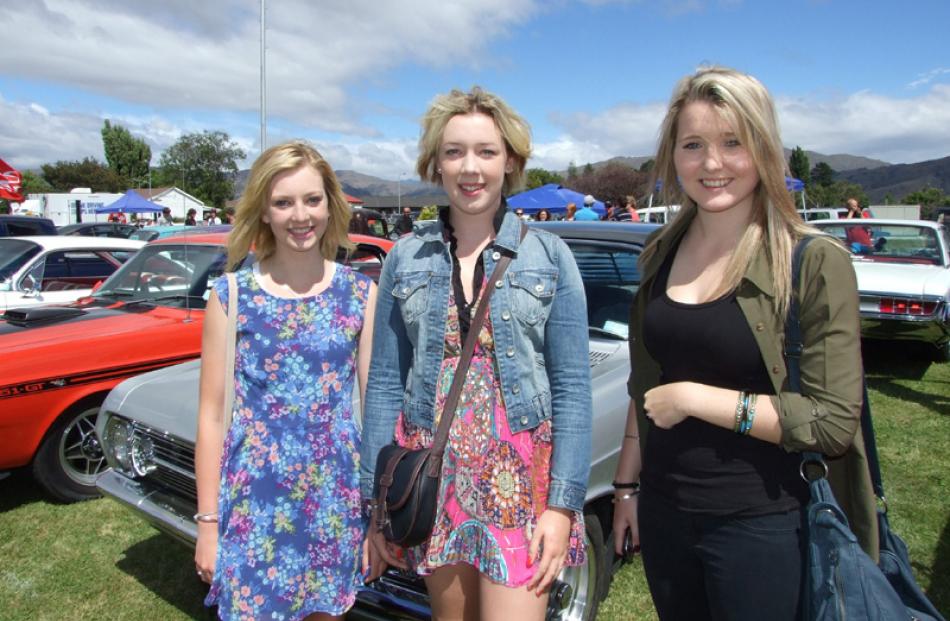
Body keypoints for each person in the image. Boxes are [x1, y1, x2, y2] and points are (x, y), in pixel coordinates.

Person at [611, 66, 875, 621]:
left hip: (765, 523)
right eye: (694, 145)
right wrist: (627, 488)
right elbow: (644, 384)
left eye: (734, 142)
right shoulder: (659, 251)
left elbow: (830, 423)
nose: (712, 163)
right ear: (672, 155)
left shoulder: (813, 261)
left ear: (764, 148)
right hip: (663, 513)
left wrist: (693, 399)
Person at [361, 86, 592, 621]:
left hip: (521, 482)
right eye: (454, 152)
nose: (471, 168)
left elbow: (573, 389)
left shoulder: (551, 256)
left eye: (486, 152)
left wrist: (562, 506)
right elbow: (384, 386)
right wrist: (376, 505)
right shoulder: (405, 257)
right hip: (432, 476)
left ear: (509, 160)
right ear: (436, 164)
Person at [194, 141, 383, 619]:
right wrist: (208, 525)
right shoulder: (231, 295)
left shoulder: (361, 293)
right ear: (263, 211)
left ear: (330, 204)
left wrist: (377, 518)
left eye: (312, 200)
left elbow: (374, 406)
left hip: (333, 498)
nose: (301, 215)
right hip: (255, 500)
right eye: (283, 202)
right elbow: (212, 416)